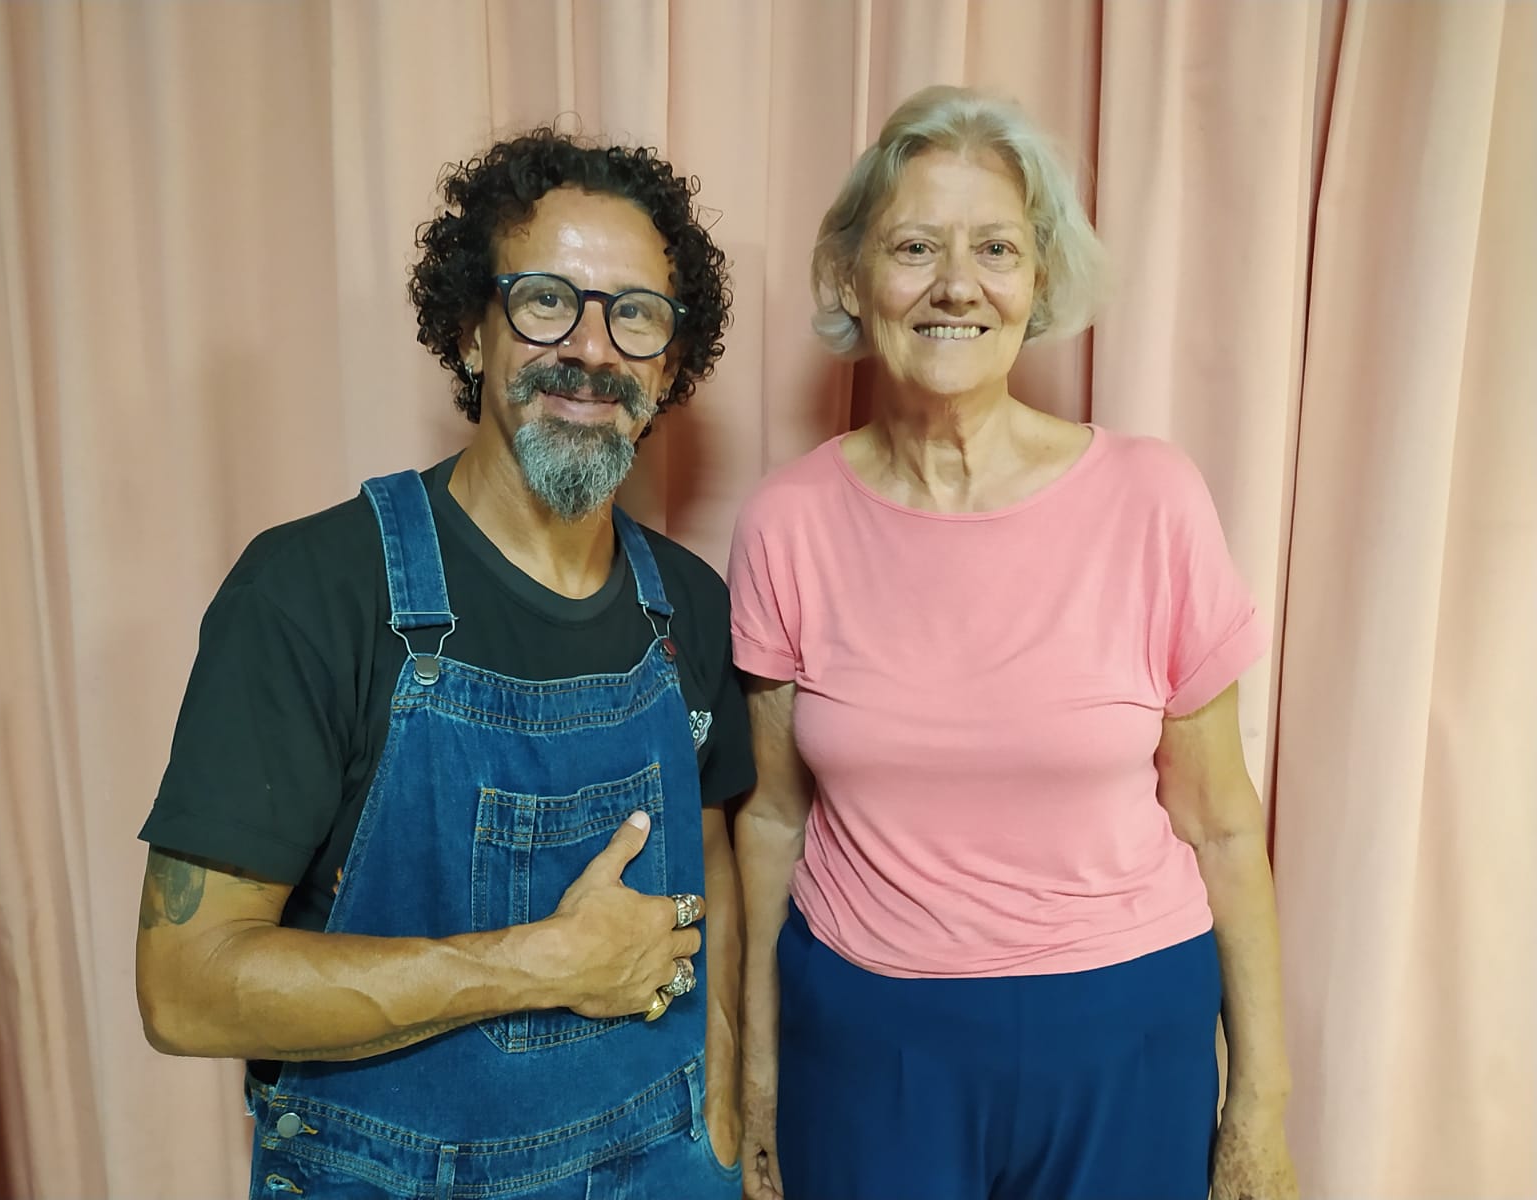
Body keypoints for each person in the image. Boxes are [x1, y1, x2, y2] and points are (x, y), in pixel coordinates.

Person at [136, 128, 750, 1199]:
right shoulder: (312, 592)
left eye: (635, 314)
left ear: (668, 362)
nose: (592, 349)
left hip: (664, 1163)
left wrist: (728, 1116)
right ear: (471, 330)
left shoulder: (688, 607)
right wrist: (535, 965)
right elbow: (185, 987)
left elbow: (714, 870)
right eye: (546, 301)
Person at [729, 85, 1297, 1200]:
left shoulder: (1152, 499)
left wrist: (1260, 1108)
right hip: (868, 1044)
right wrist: (757, 1078)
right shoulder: (785, 522)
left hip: (1127, 1032)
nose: (957, 284)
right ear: (851, 277)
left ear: (1038, 281)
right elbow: (773, 818)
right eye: (914, 247)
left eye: (995, 248)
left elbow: (1222, 822)